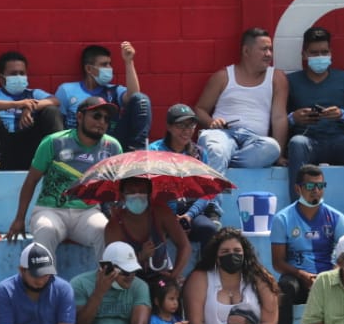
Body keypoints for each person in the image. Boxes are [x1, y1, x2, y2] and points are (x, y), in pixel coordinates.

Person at [6, 96, 123, 262]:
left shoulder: (113, 147)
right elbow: (31, 181)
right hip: (50, 210)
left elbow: (117, 186)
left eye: (106, 119)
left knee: (104, 230)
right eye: (96, 116)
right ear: (80, 117)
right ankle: (46, 285)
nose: (102, 122)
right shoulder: (54, 142)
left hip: (88, 212)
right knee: (46, 229)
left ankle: (106, 284)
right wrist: (19, 219)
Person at [285, 26, 344, 203]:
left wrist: (342, 114)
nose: (320, 57)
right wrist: (294, 118)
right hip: (308, 143)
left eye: (324, 52)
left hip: (338, 141)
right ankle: (297, 210)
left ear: (331, 53)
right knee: (296, 142)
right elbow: (277, 121)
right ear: (304, 55)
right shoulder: (291, 81)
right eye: (314, 53)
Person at [270, 164, 344, 324]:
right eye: (310, 186)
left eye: (320, 186)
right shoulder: (282, 219)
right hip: (298, 278)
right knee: (284, 288)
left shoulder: (336, 218)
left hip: (329, 277)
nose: (316, 191)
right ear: (298, 188)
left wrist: (328, 277)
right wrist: (302, 274)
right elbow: (278, 262)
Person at [194, 27, 287, 168]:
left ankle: (225, 162)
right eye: (263, 49)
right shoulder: (223, 76)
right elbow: (199, 109)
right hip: (223, 134)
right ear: (246, 51)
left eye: (270, 49)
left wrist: (279, 156)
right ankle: (219, 178)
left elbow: (279, 117)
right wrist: (211, 122)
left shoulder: (277, 77)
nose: (268, 54)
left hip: (254, 141)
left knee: (272, 148)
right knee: (216, 149)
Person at [183, 227, 279, 324]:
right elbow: (196, 322)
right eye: (225, 252)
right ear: (217, 258)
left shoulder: (260, 278)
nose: (232, 255)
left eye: (237, 251)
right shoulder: (199, 278)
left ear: (244, 254)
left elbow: (270, 321)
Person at [148, 104, 222, 252]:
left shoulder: (199, 154)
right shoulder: (154, 152)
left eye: (191, 125)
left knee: (209, 229)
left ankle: (204, 272)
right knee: (152, 229)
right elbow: (153, 189)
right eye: (180, 125)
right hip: (162, 211)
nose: (186, 130)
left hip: (190, 211)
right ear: (169, 126)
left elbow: (206, 192)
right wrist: (172, 217)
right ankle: (158, 272)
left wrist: (189, 215)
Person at [0, 50, 63, 173]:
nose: (19, 77)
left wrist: (29, 107)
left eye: (22, 73)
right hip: (3, 146)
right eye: (13, 74)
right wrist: (18, 104)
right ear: (1, 78)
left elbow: (55, 101)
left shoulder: (34, 93)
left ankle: (58, 159)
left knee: (51, 111)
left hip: (30, 146)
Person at [55, 42, 151, 151]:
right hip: (77, 144)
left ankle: (138, 153)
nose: (109, 68)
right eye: (104, 64)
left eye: (110, 64)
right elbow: (58, 125)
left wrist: (128, 62)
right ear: (89, 69)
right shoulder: (66, 90)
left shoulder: (114, 90)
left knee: (142, 100)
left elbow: (134, 97)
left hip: (111, 143)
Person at [102, 177, 191, 284]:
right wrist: (140, 258)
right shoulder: (114, 225)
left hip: (160, 279)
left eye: (142, 191)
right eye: (131, 192)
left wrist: (173, 276)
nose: (137, 195)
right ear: (122, 196)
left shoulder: (161, 213)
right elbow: (111, 269)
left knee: (169, 295)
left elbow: (184, 245)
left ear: (149, 194)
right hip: (128, 282)